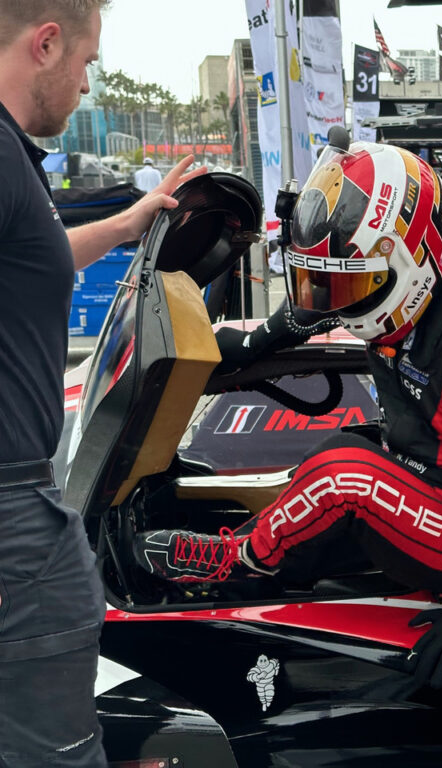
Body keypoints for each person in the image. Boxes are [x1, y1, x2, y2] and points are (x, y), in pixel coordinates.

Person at [131, 141, 442, 691]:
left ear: (414, 258)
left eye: (352, 284)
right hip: (421, 483)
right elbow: (315, 306)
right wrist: (249, 345)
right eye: (332, 281)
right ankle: (266, 577)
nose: (338, 297)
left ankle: (235, 560)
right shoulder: (401, 287)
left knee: (345, 470)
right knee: (338, 450)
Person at [0, 1, 204, 765]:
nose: (87, 83)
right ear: (46, 44)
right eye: (87, 63)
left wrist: (126, 226)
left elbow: (36, 255)